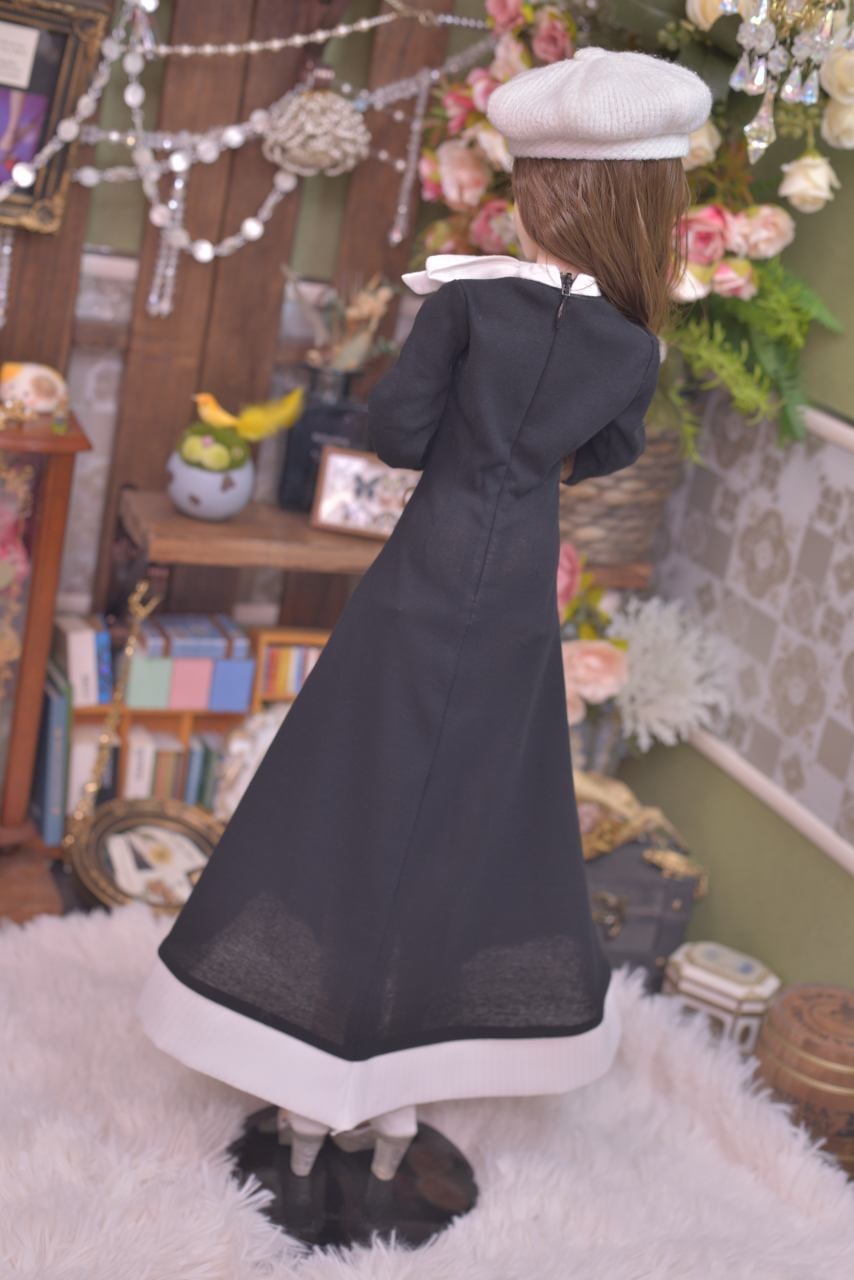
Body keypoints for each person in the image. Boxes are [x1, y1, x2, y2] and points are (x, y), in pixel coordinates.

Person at [136, 47, 711, 1179]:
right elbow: (608, 450)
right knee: (467, 819)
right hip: (515, 597)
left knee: (346, 796)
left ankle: (308, 1079)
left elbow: (394, 432)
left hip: (424, 579)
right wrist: (530, 448)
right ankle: (399, 1087)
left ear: (541, 192)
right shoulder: (629, 344)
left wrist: (457, 404)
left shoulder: (470, 302)